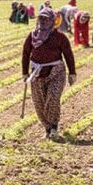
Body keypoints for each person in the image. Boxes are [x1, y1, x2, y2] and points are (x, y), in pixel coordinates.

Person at [22, 8, 77, 141]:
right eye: (41, 18)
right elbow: (25, 53)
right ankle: (47, 129)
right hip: (37, 73)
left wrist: (72, 72)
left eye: (47, 19)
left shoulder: (60, 37)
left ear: (52, 20)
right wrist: (24, 72)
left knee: (53, 97)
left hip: (56, 72)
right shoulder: (32, 35)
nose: (44, 21)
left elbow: (68, 54)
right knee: (39, 102)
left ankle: (54, 127)